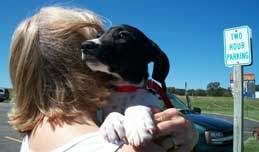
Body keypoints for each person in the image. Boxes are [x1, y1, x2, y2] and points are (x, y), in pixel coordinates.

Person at [8, 6, 198, 152]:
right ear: (75, 69)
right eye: (95, 38)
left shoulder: (33, 135)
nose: (93, 45)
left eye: (118, 36)